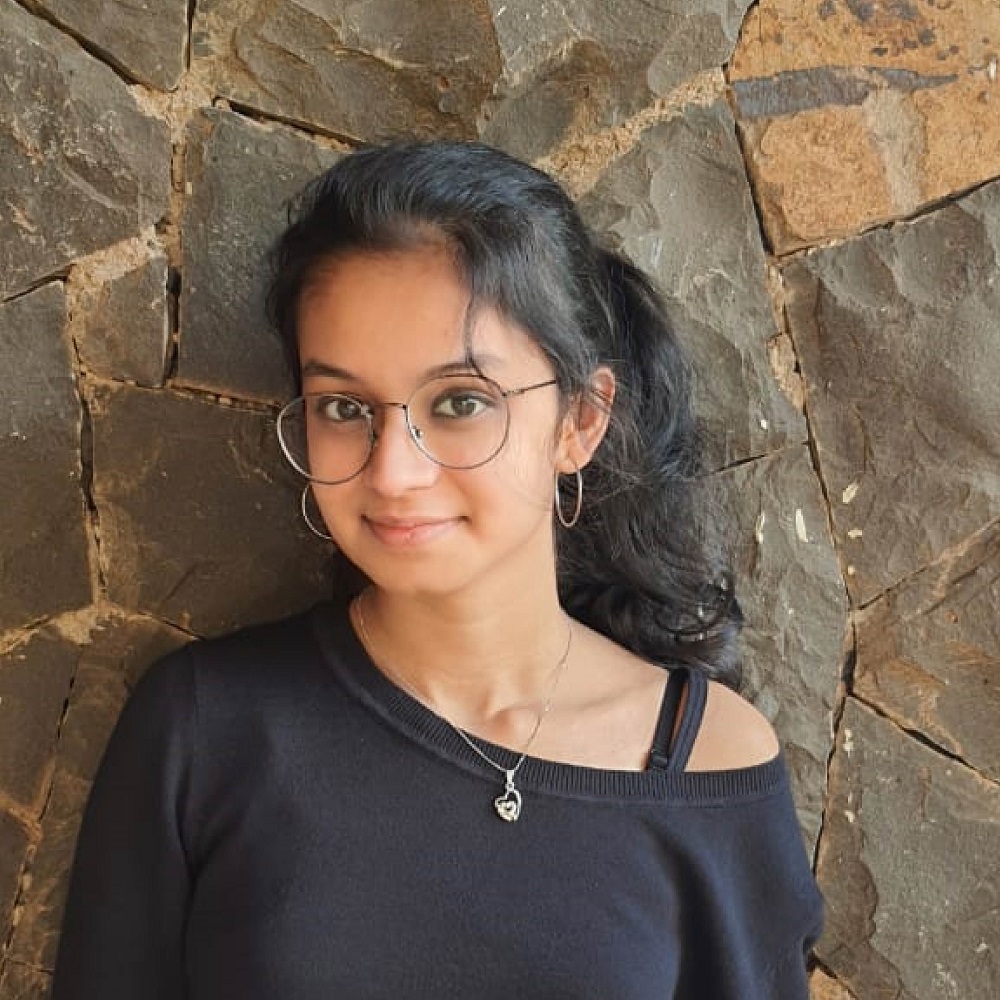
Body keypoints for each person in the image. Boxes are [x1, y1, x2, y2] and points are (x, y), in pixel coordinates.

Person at [51, 140, 824, 998]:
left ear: (580, 421)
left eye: (459, 402)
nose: (392, 472)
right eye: (344, 407)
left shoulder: (711, 765)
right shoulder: (205, 731)